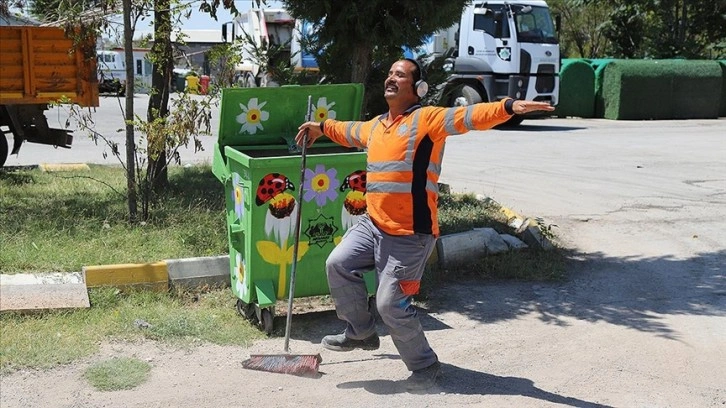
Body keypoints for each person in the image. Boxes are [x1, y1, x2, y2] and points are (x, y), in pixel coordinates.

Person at [295, 59, 554, 390]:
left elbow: (468, 117)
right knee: (338, 264)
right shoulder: (376, 126)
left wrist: (508, 107)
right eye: (390, 74)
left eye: (399, 75)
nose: (391, 78)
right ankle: (360, 331)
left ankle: (425, 367)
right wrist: (322, 127)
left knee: (391, 304)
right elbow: (348, 131)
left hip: (409, 236)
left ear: (418, 88)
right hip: (372, 225)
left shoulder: (427, 120)